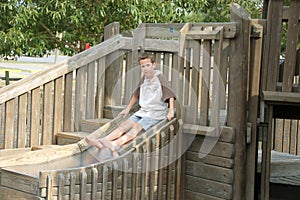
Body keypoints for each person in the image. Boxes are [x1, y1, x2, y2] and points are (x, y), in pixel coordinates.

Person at [85, 52, 176, 153]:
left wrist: (171, 110)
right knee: (125, 124)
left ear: (154, 65)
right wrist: (127, 109)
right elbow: (135, 95)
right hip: (143, 111)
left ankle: (114, 144)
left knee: (137, 127)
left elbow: (170, 94)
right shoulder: (144, 79)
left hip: (155, 113)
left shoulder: (160, 78)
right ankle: (103, 141)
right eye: (143, 66)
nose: (145, 68)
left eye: (148, 65)